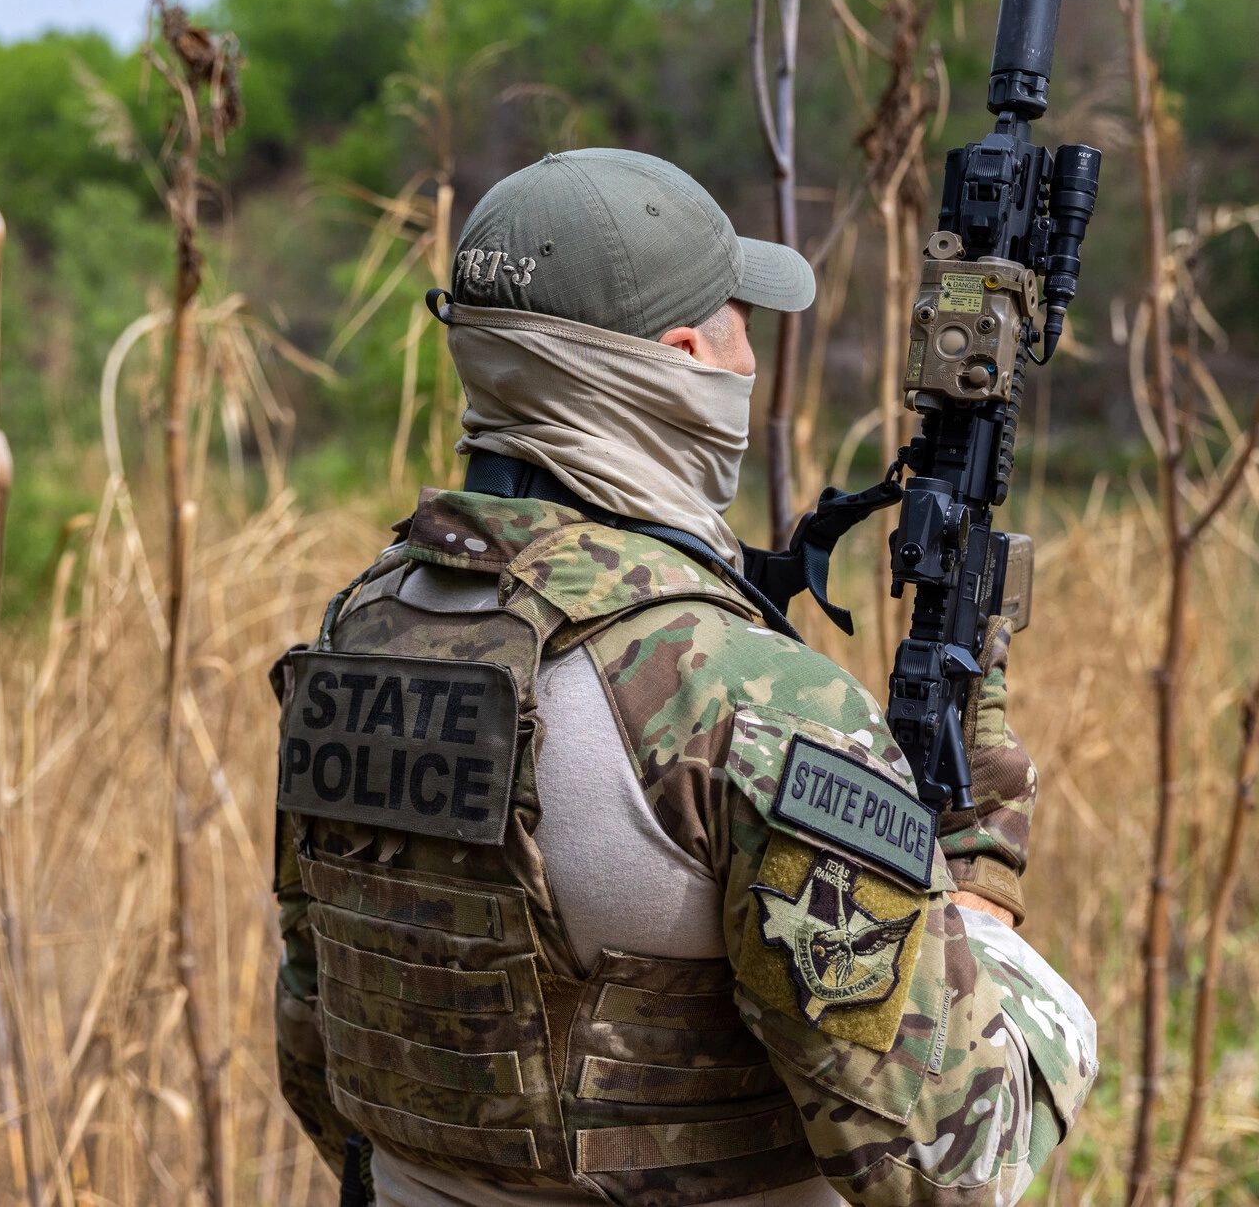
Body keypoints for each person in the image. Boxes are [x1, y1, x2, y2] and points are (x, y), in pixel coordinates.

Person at [270, 148, 1097, 1207]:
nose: (749, 350)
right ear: (678, 357)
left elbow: (321, 1061)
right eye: (736, 320)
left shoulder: (356, 636)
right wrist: (978, 898)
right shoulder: (745, 702)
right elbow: (957, 1165)